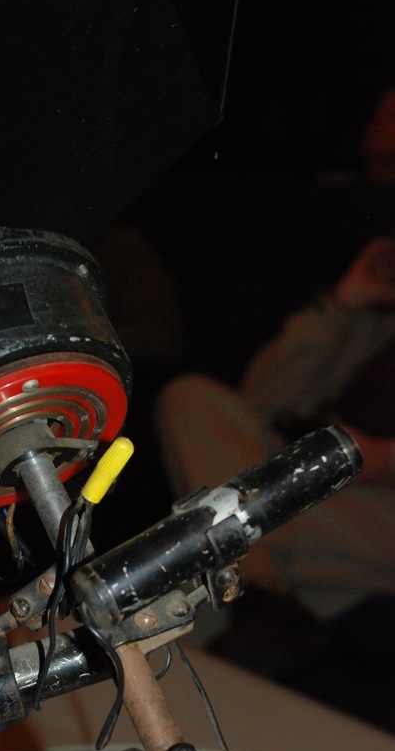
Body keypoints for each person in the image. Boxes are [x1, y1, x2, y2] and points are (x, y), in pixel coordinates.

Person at [155, 236, 395, 667]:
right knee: (190, 398)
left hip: (376, 511)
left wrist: (382, 458)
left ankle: (257, 587)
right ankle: (263, 589)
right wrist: (346, 303)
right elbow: (263, 402)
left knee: (201, 537)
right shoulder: (378, 324)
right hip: (319, 489)